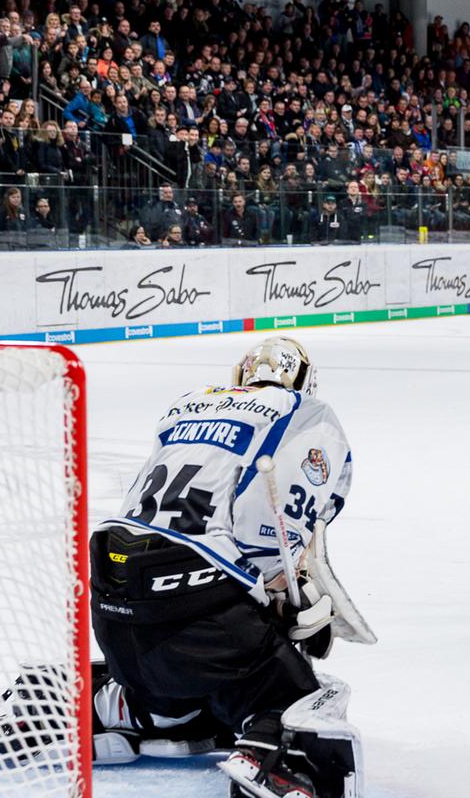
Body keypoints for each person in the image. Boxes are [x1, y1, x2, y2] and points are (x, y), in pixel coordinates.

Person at [86, 337, 373, 798]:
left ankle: (130, 705)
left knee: (193, 691)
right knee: (296, 693)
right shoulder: (304, 412)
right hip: (197, 614)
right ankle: (278, 761)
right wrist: (285, 602)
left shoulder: (188, 405)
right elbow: (269, 531)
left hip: (111, 606)